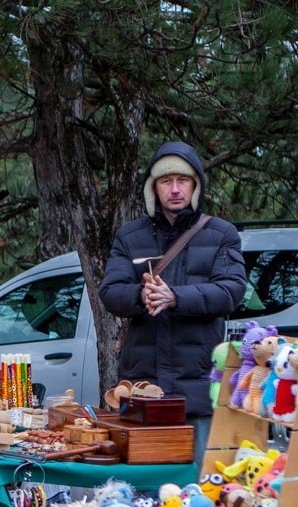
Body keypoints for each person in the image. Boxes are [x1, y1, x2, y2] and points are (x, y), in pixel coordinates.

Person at [97, 141, 247, 462]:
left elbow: (232, 291)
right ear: (154, 188)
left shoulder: (222, 234)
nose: (175, 189)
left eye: (183, 180)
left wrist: (175, 297)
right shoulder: (129, 237)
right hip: (143, 392)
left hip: (199, 390)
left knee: (202, 488)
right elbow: (110, 292)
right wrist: (142, 295)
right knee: (146, 492)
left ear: (195, 185)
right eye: (166, 181)